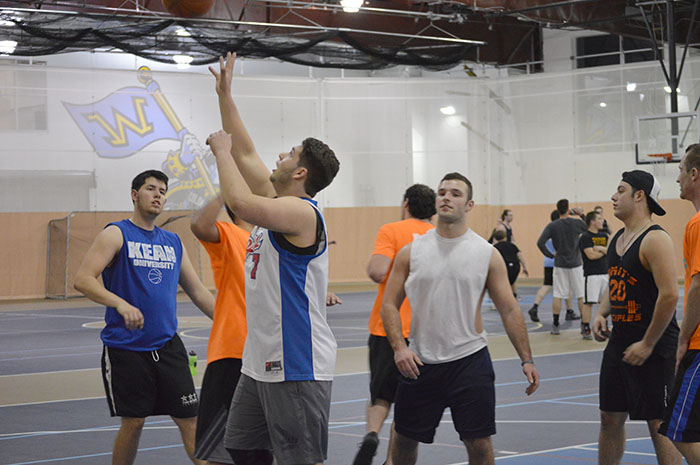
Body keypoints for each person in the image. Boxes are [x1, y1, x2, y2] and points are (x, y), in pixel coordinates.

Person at [207, 51, 340, 465]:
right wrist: (225, 95)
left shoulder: (301, 213)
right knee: (243, 447)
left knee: (299, 459)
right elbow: (246, 153)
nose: (281, 156)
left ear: (301, 173)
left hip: (296, 362)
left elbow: (239, 202)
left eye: (289, 153)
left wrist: (220, 154)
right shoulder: (279, 201)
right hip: (260, 358)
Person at [380, 172, 539, 465]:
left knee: (479, 444)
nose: (446, 197)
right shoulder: (411, 251)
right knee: (402, 441)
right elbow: (389, 304)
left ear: (469, 205)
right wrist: (399, 348)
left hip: (470, 361)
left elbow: (509, 310)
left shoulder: (486, 253)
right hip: (419, 362)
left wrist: (526, 359)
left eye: (455, 193)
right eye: (442, 192)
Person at [74, 169, 216, 465]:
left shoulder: (173, 243)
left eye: (163, 191)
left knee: (190, 420)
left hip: (168, 347)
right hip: (126, 348)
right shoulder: (116, 233)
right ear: (135, 194)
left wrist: (231, 323)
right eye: (151, 189)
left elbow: (199, 292)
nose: (158, 195)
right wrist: (121, 304)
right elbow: (84, 279)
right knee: (134, 422)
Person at [592, 170, 681, 465]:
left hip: (655, 347)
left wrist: (647, 343)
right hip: (620, 344)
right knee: (609, 417)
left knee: (659, 425)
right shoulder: (618, 238)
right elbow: (615, 280)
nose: (613, 197)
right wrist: (602, 312)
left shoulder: (655, 240)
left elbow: (669, 295)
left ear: (639, 196)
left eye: (620, 190)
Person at [352, 184, 435, 465]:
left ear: (406, 203)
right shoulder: (439, 237)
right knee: (409, 407)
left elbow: (377, 271)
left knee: (380, 396)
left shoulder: (391, 230)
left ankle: (372, 433)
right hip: (425, 334)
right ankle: (391, 460)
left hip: (387, 329)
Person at [190, 196, 251, 465]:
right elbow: (201, 225)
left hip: (266, 355)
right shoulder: (231, 234)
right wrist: (225, 192)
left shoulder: (273, 244)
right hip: (233, 352)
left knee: (265, 445)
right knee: (220, 449)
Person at [659, 145, 700, 463]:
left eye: (681, 170)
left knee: (680, 432)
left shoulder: (697, 224)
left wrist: (683, 339)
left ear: (694, 175)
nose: (678, 178)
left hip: (699, 345)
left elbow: (698, 285)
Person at [536, 199, 586, 334]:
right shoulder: (576, 223)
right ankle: (584, 325)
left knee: (558, 294)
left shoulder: (553, 226)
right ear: (568, 209)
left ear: (557, 210)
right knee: (581, 295)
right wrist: (581, 214)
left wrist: (551, 255)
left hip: (560, 264)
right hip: (576, 264)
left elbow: (540, 243)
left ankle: (556, 325)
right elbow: (589, 227)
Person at [528, 210, 572, 322]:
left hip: (548, 261)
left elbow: (541, 243)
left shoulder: (546, 229)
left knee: (546, 285)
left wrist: (550, 255)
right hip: (559, 262)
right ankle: (569, 311)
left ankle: (535, 307)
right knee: (566, 287)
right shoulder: (561, 230)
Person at [578, 210, 609, 340]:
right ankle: (586, 327)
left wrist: (600, 249)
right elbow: (590, 255)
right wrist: (604, 252)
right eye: (599, 219)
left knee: (606, 303)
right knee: (589, 302)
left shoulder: (605, 236)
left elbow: (610, 251)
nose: (602, 221)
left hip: (605, 274)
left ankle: (603, 326)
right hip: (591, 275)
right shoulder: (585, 237)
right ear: (592, 221)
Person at [493, 229, 528, 297]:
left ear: (495, 238)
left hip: (504, 267)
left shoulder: (495, 248)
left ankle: (504, 297)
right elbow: (520, 256)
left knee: (502, 282)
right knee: (512, 281)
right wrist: (524, 267)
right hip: (515, 267)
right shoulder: (512, 245)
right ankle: (514, 296)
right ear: (505, 237)